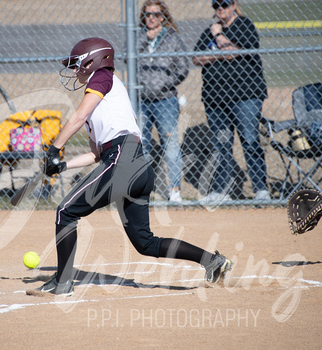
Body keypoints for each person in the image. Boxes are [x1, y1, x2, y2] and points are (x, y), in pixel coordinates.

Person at [36, 37, 232, 295]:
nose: (74, 71)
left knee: (66, 212)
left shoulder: (102, 77)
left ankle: (62, 283)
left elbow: (78, 117)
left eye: (77, 65)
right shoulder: (99, 105)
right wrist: (61, 166)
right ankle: (212, 261)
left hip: (124, 161)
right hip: (135, 166)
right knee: (145, 243)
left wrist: (54, 148)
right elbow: (96, 154)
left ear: (92, 61)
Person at [192, 0, 270, 203]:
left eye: (224, 5)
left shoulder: (244, 25)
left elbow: (231, 52)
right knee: (221, 144)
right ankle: (221, 190)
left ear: (234, 4)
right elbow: (196, 58)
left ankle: (261, 189)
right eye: (216, 5)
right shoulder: (208, 30)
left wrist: (218, 37)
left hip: (245, 95)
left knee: (249, 140)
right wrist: (220, 50)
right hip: (215, 98)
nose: (220, 9)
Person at [137, 0, 189, 202]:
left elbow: (183, 66)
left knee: (170, 144)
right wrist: (145, 38)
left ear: (163, 16)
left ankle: (174, 191)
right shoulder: (137, 36)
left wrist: (166, 83)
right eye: (148, 14)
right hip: (140, 100)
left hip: (165, 100)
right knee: (141, 146)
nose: (151, 18)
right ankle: (142, 191)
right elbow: (126, 55)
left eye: (156, 14)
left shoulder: (172, 38)